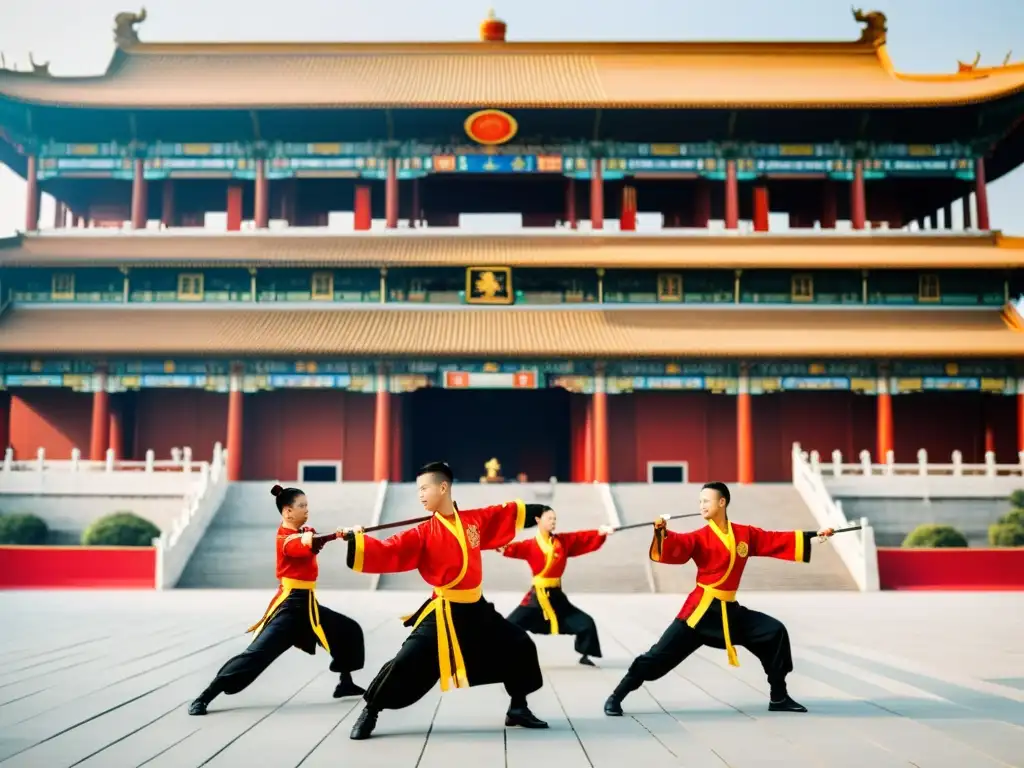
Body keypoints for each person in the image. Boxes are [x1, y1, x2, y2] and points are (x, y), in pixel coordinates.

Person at [341, 461, 550, 740]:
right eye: (418, 490)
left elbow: (502, 515)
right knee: (406, 661)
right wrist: (356, 539)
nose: (421, 495)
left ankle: (518, 707)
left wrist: (538, 512)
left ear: (443, 487)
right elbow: (391, 549)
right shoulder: (422, 533)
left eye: (425, 488)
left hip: (477, 609)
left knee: (519, 645)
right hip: (444, 611)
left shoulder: (473, 521)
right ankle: (371, 710)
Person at [604, 481, 835, 717]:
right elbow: (678, 545)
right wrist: (661, 533)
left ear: (722, 502)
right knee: (657, 657)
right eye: (700, 501)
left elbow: (772, 539)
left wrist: (814, 535)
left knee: (773, 632)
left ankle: (779, 696)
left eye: (706, 500)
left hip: (729, 612)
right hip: (700, 612)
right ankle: (616, 696)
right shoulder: (699, 537)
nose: (701, 505)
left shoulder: (745, 534)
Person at [187, 484, 366, 715]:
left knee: (348, 630)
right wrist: (337, 534)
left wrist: (346, 533)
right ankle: (204, 697)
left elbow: (315, 538)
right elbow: (308, 544)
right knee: (254, 656)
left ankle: (345, 682)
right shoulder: (286, 540)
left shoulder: (304, 531)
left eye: (307, 505)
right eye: (301, 506)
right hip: (290, 608)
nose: (306, 510)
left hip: (308, 606)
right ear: (287, 512)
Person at [500, 506, 612, 666]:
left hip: (556, 596)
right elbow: (509, 548)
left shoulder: (563, 542)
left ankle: (585, 655)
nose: (553, 522)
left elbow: (580, 538)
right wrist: (496, 544)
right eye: (549, 519)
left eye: (554, 519)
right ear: (538, 520)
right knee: (509, 625)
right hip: (536, 597)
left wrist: (600, 533)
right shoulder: (530, 545)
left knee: (586, 622)